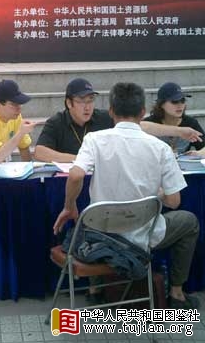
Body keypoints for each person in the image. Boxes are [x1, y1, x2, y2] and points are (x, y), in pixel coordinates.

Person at [53, 82, 200, 309]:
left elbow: (75, 175)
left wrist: (69, 206)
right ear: (143, 112)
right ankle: (177, 293)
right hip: (143, 236)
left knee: (90, 220)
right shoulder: (160, 148)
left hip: (102, 234)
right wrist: (156, 193)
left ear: (111, 111)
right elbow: (174, 201)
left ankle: (96, 290)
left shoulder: (94, 139)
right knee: (189, 222)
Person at [34, 77, 203, 163]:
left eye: (91, 100)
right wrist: (80, 159)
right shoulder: (57, 122)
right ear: (69, 103)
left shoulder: (102, 117)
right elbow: (40, 152)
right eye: (81, 101)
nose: (87, 107)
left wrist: (179, 131)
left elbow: (140, 125)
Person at [144, 81, 205, 156]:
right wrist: (179, 131)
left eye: (182, 101)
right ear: (161, 104)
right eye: (174, 101)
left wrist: (199, 153)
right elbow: (140, 126)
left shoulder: (190, 123)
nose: (180, 105)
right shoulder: (150, 122)